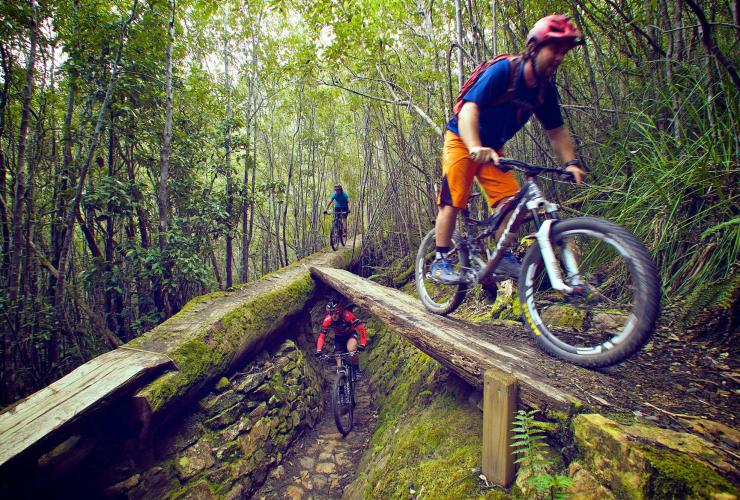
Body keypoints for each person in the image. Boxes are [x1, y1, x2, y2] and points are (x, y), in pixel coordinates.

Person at [431, 14, 587, 284]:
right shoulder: (503, 71)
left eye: (565, 51)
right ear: (534, 47)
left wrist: (571, 162)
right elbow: (469, 110)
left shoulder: (544, 90)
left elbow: (557, 131)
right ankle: (440, 260)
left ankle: (502, 257)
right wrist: (474, 146)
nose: (560, 57)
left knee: (511, 204)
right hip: (461, 139)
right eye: (555, 49)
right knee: (453, 200)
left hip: (493, 148)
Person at [315, 297, 367, 380]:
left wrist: (363, 344)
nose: (334, 316)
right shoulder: (327, 320)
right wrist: (319, 350)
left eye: (336, 313)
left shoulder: (347, 315)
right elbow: (322, 336)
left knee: (351, 349)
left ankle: (356, 369)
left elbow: (361, 328)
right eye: (331, 313)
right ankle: (340, 389)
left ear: (340, 311)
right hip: (339, 338)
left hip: (350, 335)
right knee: (339, 364)